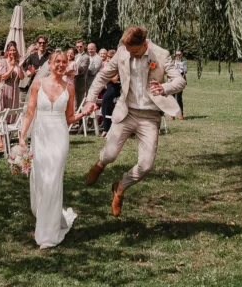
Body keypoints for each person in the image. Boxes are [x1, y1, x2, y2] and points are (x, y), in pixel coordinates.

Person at [83, 26, 186, 217]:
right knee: (110, 155)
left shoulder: (162, 55)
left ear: (144, 44)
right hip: (126, 111)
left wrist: (164, 87)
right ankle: (101, 163)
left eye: (134, 51)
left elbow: (180, 81)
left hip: (149, 116)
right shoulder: (122, 52)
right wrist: (90, 99)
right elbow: (103, 76)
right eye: (128, 50)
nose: (130, 54)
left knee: (146, 164)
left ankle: (120, 187)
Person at [18, 51, 91, 249]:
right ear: (49, 64)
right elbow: (30, 112)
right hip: (40, 137)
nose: (60, 65)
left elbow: (69, 118)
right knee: (41, 180)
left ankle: (47, 235)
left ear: (68, 65)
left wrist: (82, 114)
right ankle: (50, 216)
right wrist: (23, 136)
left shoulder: (70, 87)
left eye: (63, 62)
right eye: (56, 61)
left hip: (59, 138)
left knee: (52, 181)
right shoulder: (37, 84)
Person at [72, 39, 91, 106]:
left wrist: (70, 69)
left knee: (78, 104)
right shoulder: (75, 56)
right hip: (72, 82)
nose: (79, 48)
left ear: (84, 46)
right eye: (77, 47)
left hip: (80, 83)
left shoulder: (86, 57)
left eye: (80, 46)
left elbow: (82, 70)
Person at [173, 50, 188, 120]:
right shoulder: (173, 62)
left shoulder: (184, 62)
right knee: (172, 98)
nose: (178, 56)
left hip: (180, 81)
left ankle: (180, 114)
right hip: (172, 81)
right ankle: (171, 114)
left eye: (179, 54)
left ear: (181, 55)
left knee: (179, 98)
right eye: (177, 55)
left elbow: (185, 71)